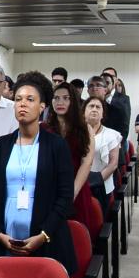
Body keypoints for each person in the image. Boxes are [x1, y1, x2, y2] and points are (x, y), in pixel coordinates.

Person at [0, 74, 78, 275]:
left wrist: (43, 235)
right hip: (4, 237)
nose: (22, 104)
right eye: (18, 99)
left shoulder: (56, 145)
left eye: (30, 99)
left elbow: (65, 196)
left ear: (42, 106)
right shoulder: (2, 145)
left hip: (45, 237)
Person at [43, 80, 94, 219]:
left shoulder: (85, 128)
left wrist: (72, 192)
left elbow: (87, 162)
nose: (60, 102)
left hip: (76, 186)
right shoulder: (43, 128)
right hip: (49, 188)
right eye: (56, 98)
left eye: (66, 98)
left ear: (73, 101)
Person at [83, 94, 122, 215]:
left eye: (98, 107)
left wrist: (97, 180)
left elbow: (113, 164)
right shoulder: (75, 133)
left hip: (101, 185)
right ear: (84, 111)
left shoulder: (112, 135)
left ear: (103, 113)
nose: (94, 109)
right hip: (79, 184)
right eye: (91, 106)